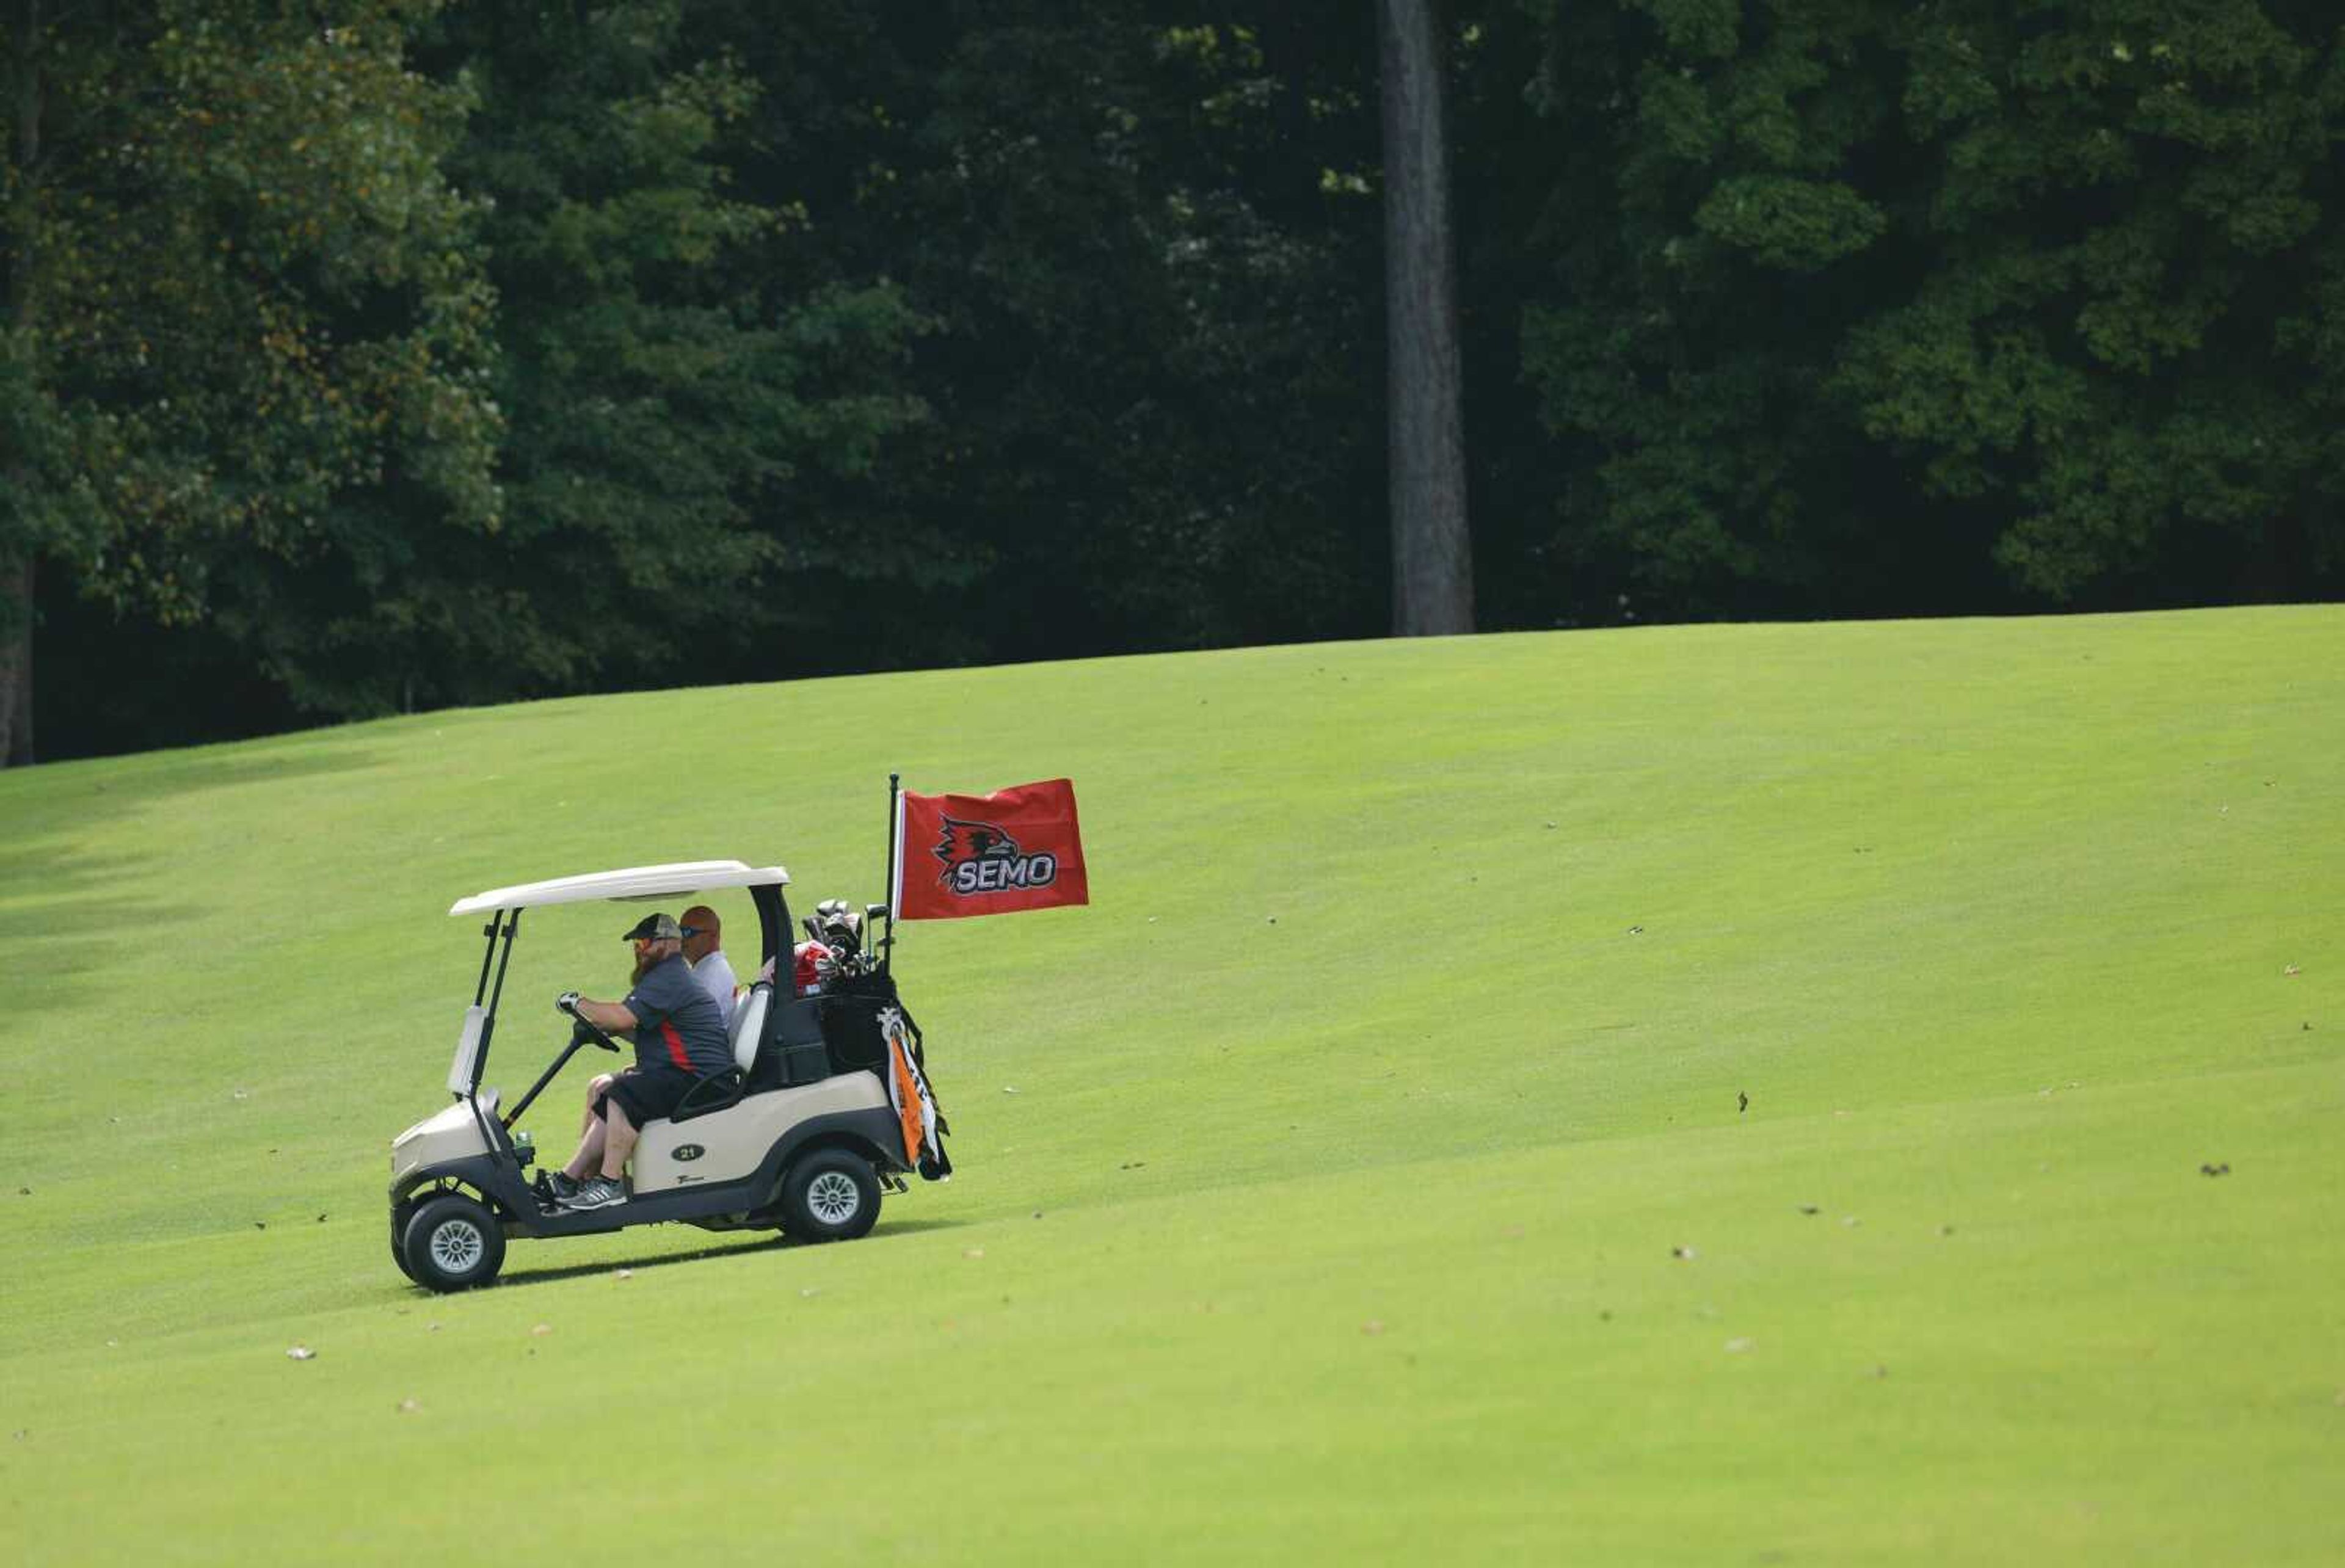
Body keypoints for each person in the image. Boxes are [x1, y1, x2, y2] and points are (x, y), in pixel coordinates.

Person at [548, 912, 732, 1211]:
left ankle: (610, 1185)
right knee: (614, 1091)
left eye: (645, 942)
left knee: (624, 1093)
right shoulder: (664, 976)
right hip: (686, 1074)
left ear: (670, 943)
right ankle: (571, 1179)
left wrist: (576, 1003)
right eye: (636, 944)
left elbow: (622, 1017)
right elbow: (633, 1028)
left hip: (702, 1079)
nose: (640, 949)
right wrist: (604, 1026)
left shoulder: (670, 976)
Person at [680, 904, 738, 1031]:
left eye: (688, 933)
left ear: (713, 935)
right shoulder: (710, 968)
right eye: (680, 932)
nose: (682, 940)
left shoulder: (709, 977)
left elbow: (691, 1029)